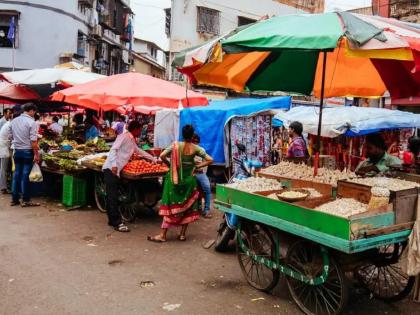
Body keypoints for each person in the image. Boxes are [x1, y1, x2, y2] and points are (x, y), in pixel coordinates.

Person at [148, 125, 213, 242]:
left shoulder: (175, 146)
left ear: (182, 134)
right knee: (187, 207)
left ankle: (163, 235)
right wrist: (196, 166)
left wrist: (170, 165)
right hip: (189, 181)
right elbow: (210, 159)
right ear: (192, 135)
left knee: (169, 205)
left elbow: (162, 155)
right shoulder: (196, 148)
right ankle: (182, 234)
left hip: (174, 180)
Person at [102, 120, 157, 232]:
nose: (141, 132)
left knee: (112, 196)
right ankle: (117, 223)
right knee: (113, 196)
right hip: (111, 169)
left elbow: (138, 150)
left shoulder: (131, 139)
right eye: (140, 130)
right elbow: (113, 149)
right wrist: (113, 165)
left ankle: (111, 219)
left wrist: (153, 159)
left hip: (116, 169)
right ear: (136, 129)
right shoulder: (123, 136)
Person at [10, 103, 40, 207]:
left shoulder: (14, 121)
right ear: (31, 110)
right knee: (25, 176)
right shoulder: (32, 122)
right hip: (27, 151)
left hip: (17, 151)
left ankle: (14, 199)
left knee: (16, 174)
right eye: (34, 112)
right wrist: (36, 154)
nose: (34, 114)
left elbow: (11, 136)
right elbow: (33, 141)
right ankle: (26, 200)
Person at [192, 134, 212, 218]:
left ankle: (206, 209)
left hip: (200, 173)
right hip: (190, 173)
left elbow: (207, 162)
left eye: (196, 142)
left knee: (207, 188)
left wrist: (200, 168)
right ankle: (194, 208)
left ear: (198, 142)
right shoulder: (188, 150)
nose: (195, 143)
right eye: (194, 141)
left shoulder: (201, 150)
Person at [0, 117, 12, 193]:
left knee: (4, 168)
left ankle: (4, 186)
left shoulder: (8, 123)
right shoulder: (10, 125)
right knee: (3, 169)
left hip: (4, 147)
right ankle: (3, 187)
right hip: (4, 148)